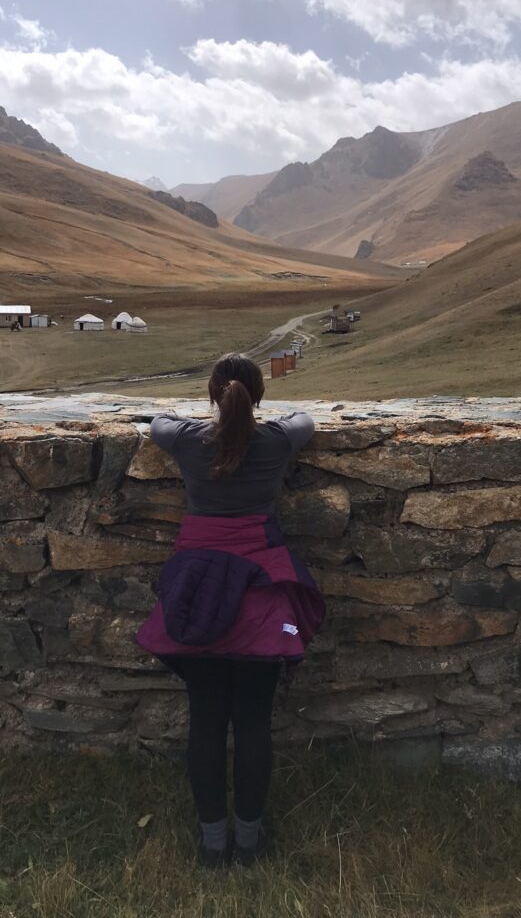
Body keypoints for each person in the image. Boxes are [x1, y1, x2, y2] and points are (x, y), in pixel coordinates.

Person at [136, 353, 324, 869]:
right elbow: (304, 420)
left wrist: (202, 419)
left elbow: (158, 423)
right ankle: (249, 842)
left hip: (197, 583)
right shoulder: (277, 441)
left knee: (206, 720)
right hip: (261, 587)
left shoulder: (188, 440)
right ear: (258, 395)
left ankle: (212, 845)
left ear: (213, 393)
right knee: (253, 721)